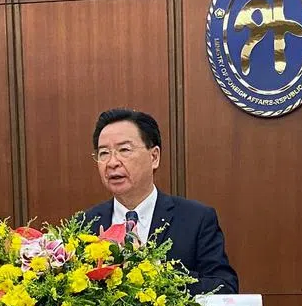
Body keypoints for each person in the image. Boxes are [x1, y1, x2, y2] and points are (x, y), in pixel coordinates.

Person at [83, 108, 239, 295]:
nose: (112, 162)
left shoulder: (196, 219)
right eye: (103, 153)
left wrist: (157, 272)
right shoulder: (85, 224)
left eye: (124, 150)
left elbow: (224, 288)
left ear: (154, 156)